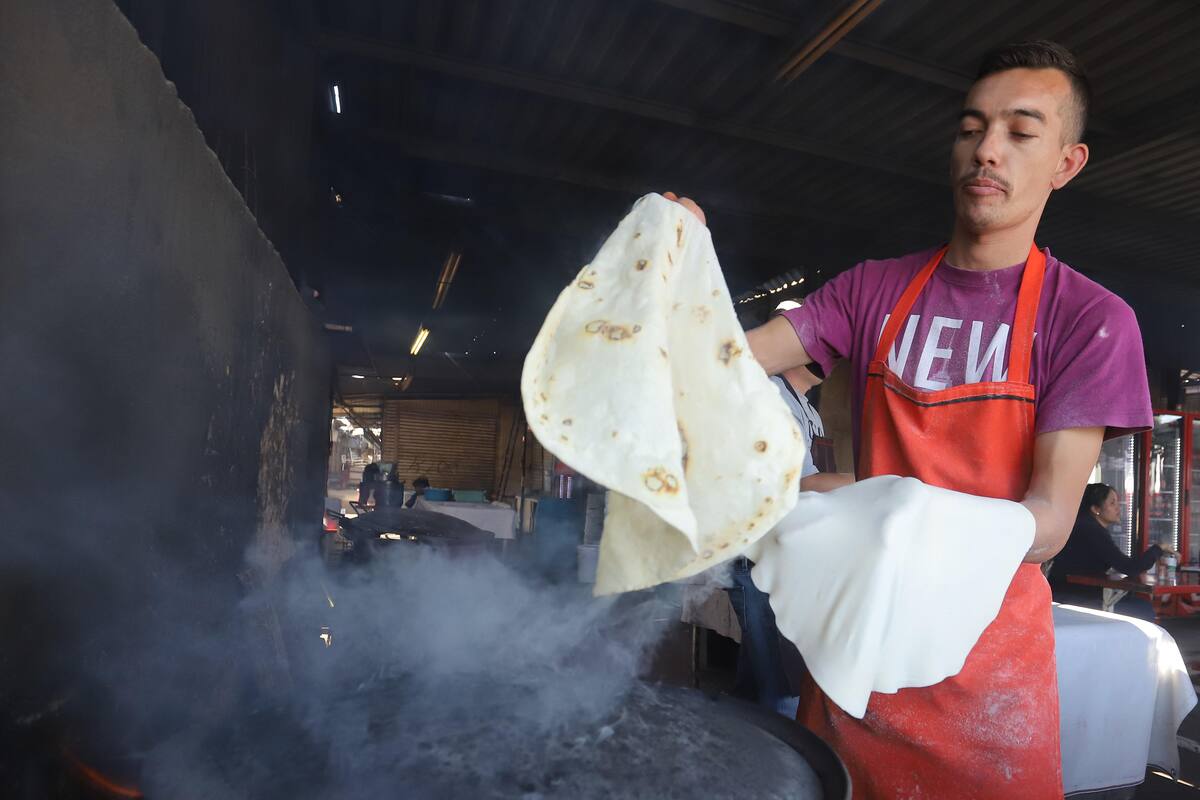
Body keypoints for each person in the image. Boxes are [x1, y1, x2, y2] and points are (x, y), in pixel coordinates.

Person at [667, 40, 1152, 798]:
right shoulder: (873, 289)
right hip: (853, 663)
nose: (986, 149)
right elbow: (719, 363)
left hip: (990, 690)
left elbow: (1049, 524)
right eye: (971, 127)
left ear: (1066, 162)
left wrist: (890, 508)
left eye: (1020, 132)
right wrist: (679, 267)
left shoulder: (1088, 319)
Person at [1049, 483, 1164, 620]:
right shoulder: (1091, 530)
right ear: (1096, 509)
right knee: (1144, 609)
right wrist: (1159, 549)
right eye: (1112, 503)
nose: (1118, 507)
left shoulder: (1083, 524)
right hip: (1074, 598)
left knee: (1137, 604)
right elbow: (1129, 567)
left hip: (1064, 593)